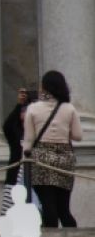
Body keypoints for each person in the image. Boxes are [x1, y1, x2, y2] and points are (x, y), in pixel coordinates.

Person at [23, 70, 82, 228]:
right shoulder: (69, 109)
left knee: (48, 208)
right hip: (64, 159)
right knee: (64, 209)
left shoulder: (33, 109)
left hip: (41, 159)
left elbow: (29, 139)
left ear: (44, 87)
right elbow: (77, 135)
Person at [1, 88, 38, 215]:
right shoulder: (16, 133)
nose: (25, 115)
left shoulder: (41, 134)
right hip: (14, 182)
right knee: (10, 217)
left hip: (35, 183)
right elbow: (7, 127)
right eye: (24, 110)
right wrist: (18, 105)